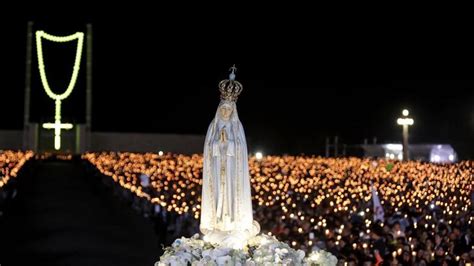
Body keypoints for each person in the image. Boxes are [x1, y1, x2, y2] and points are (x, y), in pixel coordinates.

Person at [199, 66, 259, 249]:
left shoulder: (237, 127)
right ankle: (217, 223)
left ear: (233, 110)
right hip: (217, 169)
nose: (226, 113)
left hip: (233, 171)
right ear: (219, 109)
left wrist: (229, 144)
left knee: (232, 195)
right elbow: (209, 149)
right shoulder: (213, 127)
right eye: (223, 109)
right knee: (219, 195)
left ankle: (234, 223)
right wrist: (219, 144)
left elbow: (241, 149)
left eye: (229, 110)